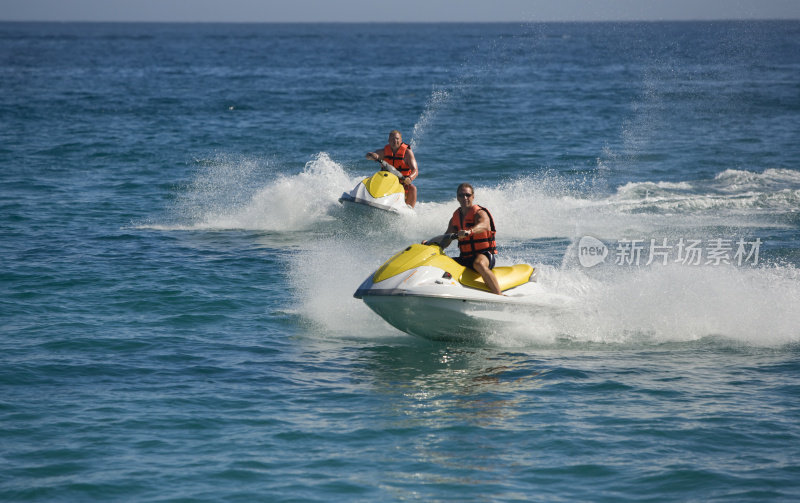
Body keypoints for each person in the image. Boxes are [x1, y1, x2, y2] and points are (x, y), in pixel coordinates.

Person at [425, 183, 503, 295]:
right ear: (457, 197)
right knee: (440, 262)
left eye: (467, 195)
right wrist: (430, 243)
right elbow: (446, 239)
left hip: (484, 255)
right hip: (465, 258)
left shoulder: (480, 213)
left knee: (479, 264)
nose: (464, 198)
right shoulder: (455, 218)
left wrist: (469, 231)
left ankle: (499, 295)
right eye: (461, 195)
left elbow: (484, 225)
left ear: (473, 196)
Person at [366, 130, 418, 208]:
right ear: (388, 141)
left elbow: (415, 170)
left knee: (413, 189)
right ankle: (366, 199)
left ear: (401, 140)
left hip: (402, 183)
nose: (395, 141)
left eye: (397, 139)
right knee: (368, 180)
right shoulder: (383, 152)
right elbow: (369, 156)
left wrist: (410, 178)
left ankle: (409, 211)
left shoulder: (407, 153)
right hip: (385, 181)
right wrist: (371, 155)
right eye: (392, 139)